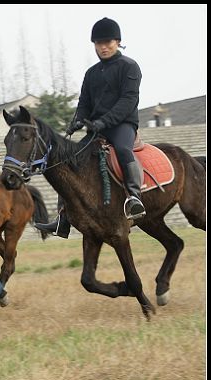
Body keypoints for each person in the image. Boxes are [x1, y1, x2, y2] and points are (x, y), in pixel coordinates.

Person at [35, 17, 145, 239]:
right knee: (67, 159)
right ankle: (63, 219)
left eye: (107, 42)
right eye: (98, 43)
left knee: (123, 150)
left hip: (123, 124)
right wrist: (77, 121)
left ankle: (134, 198)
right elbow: (84, 103)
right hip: (96, 129)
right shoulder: (91, 73)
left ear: (118, 42)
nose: (103, 47)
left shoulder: (130, 67)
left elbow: (128, 102)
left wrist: (103, 122)